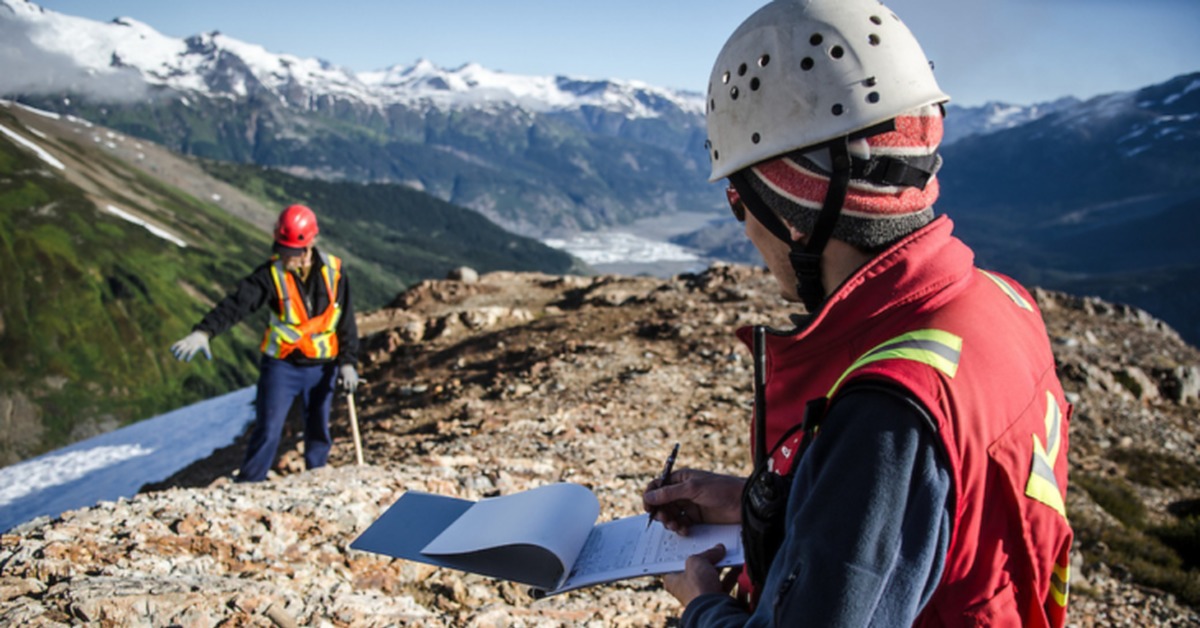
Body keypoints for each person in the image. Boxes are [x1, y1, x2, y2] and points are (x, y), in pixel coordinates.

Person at [641, 0, 1073, 625]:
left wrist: (703, 605)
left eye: (739, 199)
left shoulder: (887, 411)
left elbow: (895, 483)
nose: (744, 231)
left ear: (793, 208)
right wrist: (771, 504)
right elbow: (936, 522)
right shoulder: (1000, 303)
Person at [170, 204, 360, 483]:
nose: (284, 256)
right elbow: (237, 304)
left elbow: (346, 323)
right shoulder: (271, 275)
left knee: (318, 426)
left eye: (290, 251)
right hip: (282, 366)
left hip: (323, 367)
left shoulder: (335, 272)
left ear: (307, 247)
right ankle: (249, 481)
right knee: (269, 427)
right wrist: (204, 331)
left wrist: (348, 363)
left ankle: (316, 478)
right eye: (281, 248)